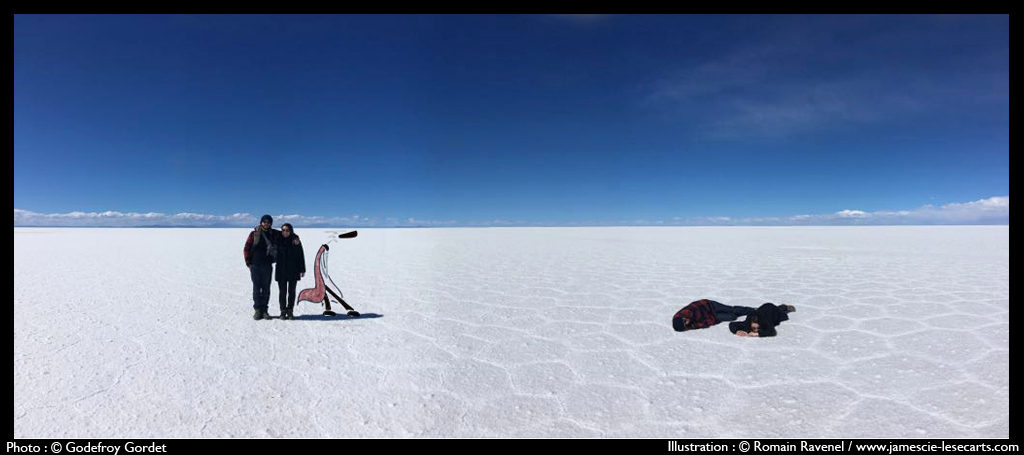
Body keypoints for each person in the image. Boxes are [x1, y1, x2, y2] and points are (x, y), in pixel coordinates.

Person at [243, 214, 281, 320]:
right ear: (261, 222)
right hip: (255, 265)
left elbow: (288, 233)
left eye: (268, 222)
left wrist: (295, 238)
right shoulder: (254, 233)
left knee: (266, 288)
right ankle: (257, 310)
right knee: (256, 288)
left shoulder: (274, 233)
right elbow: (246, 248)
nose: (266, 223)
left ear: (271, 223)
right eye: (264, 222)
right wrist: (248, 262)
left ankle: (265, 310)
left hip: (267, 265)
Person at [274, 223, 305, 320]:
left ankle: (290, 311)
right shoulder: (277, 240)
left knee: (291, 292)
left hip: (293, 270)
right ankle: (283, 311)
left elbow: (301, 255)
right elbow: (269, 231)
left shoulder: (295, 241)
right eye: (283, 230)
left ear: (291, 231)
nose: (285, 232)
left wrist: (302, 269)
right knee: (282, 292)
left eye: (287, 230)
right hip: (281, 270)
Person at [672, 299, 758, 332]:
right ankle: (744, 313)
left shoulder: (688, 311)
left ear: (682, 317)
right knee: (732, 317)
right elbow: (705, 323)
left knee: (731, 309)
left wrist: (710, 318)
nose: (687, 323)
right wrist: (713, 319)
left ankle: (753, 310)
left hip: (710, 305)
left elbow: (701, 310)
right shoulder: (690, 324)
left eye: (685, 321)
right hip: (712, 316)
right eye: (685, 325)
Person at [728, 303, 796, 337]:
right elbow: (732, 324)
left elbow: (772, 332)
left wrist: (757, 334)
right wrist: (737, 331)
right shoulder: (746, 323)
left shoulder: (765, 322)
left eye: (758, 328)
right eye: (754, 328)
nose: (756, 329)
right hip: (761, 310)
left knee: (782, 315)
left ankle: (785, 307)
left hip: (771, 310)